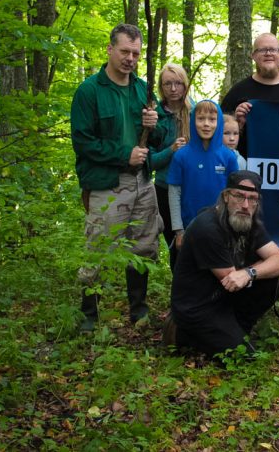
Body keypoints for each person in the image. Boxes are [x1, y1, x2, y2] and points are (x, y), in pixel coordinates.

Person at [70, 23, 168, 332]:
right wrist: (123, 153)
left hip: (142, 182)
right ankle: (89, 315)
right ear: (110, 49)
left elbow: (162, 136)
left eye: (136, 54)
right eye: (125, 51)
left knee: (144, 245)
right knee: (99, 248)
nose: (130, 59)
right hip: (107, 184)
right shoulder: (90, 91)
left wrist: (155, 124)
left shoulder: (141, 88)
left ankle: (138, 310)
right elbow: (83, 142)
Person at [219, 32, 279, 322]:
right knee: (252, 239)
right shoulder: (239, 92)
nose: (268, 54)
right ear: (253, 56)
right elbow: (222, 134)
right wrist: (239, 120)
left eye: (273, 50)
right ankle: (254, 302)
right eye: (262, 50)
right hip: (250, 185)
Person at [169, 171, 279, 358]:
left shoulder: (249, 221)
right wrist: (250, 272)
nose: (245, 205)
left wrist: (250, 272)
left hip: (224, 300)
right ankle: (181, 332)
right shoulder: (208, 228)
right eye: (239, 196)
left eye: (252, 199)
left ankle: (238, 329)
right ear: (226, 196)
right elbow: (231, 280)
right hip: (199, 308)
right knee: (245, 357)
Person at [167, 100, 239, 268]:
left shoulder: (228, 157)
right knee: (190, 272)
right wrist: (179, 231)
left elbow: (235, 194)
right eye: (201, 119)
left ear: (219, 122)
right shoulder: (181, 156)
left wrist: (233, 227)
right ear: (193, 121)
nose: (206, 124)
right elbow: (174, 193)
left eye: (212, 119)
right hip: (189, 229)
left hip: (222, 228)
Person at [150, 63, 191, 269]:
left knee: (193, 244)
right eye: (168, 84)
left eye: (177, 83)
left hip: (193, 188)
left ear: (185, 85)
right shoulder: (154, 117)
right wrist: (171, 150)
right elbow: (149, 162)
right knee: (175, 244)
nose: (173, 89)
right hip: (164, 189)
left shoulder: (196, 112)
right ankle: (179, 294)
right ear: (161, 87)